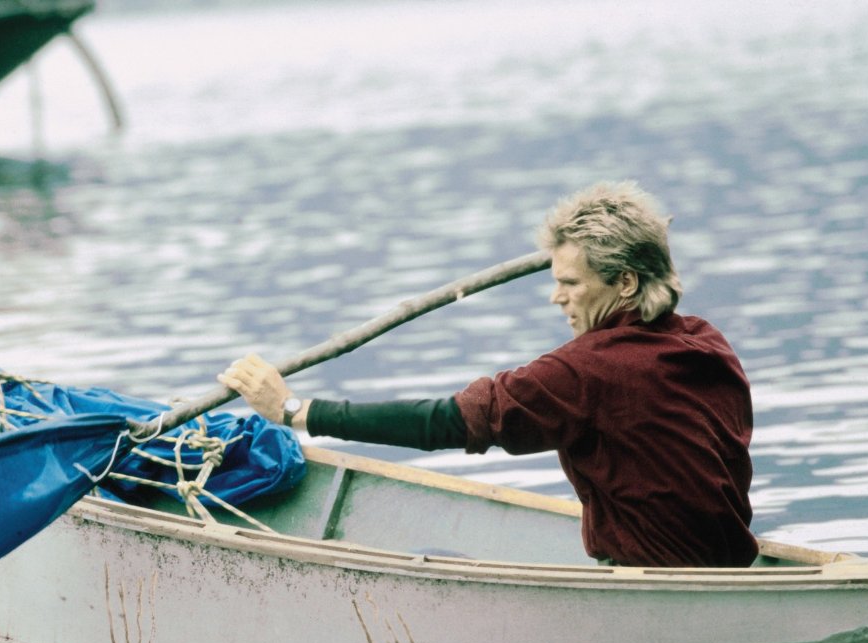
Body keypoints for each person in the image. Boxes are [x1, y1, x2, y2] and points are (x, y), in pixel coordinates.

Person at [218, 181, 756, 568]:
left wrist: (296, 411)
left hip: (657, 581)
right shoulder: (707, 342)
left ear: (625, 283)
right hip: (726, 563)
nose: (557, 296)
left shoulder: (587, 371)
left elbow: (447, 422)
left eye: (571, 282)